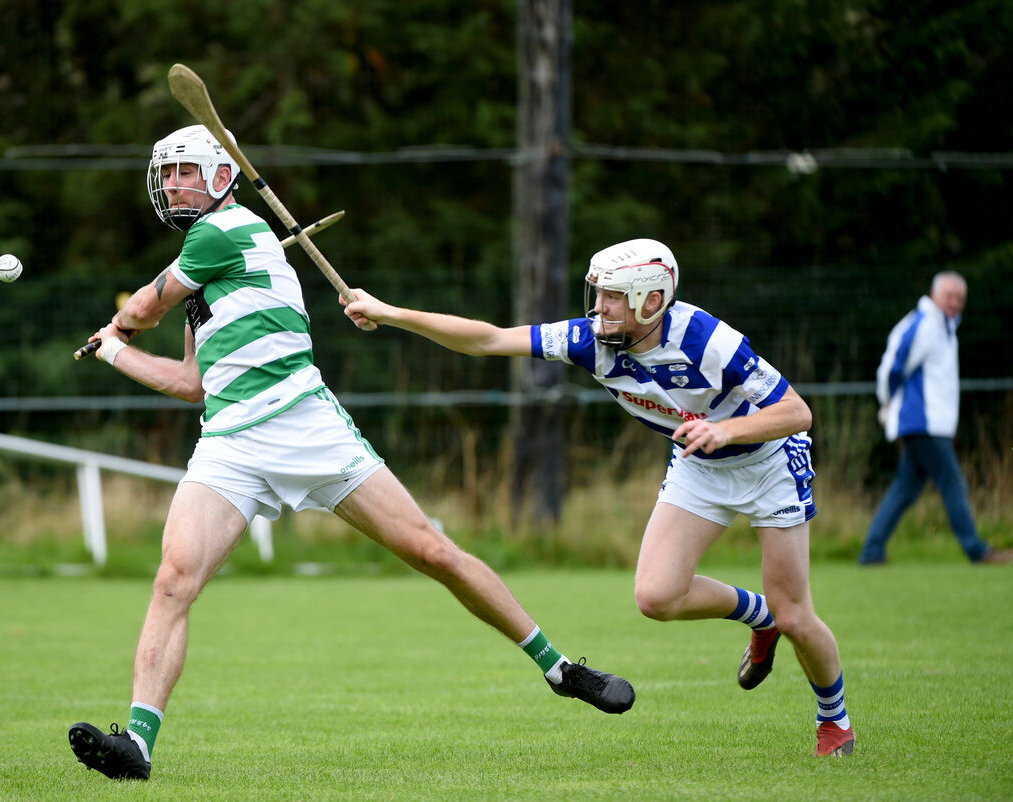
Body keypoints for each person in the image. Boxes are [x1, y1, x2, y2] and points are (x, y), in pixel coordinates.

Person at [66, 125, 635, 782]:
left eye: (184, 172)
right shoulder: (206, 281)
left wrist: (123, 324)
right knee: (174, 581)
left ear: (222, 176)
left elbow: (144, 304)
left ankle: (562, 668)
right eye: (166, 176)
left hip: (305, 422)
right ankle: (137, 746)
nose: (172, 186)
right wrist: (114, 351)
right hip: (230, 442)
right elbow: (191, 383)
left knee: (432, 552)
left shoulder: (222, 233)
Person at [342, 238, 856, 757]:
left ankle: (833, 720)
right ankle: (758, 617)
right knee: (655, 597)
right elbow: (489, 340)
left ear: (651, 300)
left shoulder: (705, 338)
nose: (598, 307)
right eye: (598, 294)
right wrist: (390, 313)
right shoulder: (588, 339)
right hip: (700, 467)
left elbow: (797, 412)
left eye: (612, 297)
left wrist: (726, 433)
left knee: (798, 616)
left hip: (767, 463)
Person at [859, 272, 1013, 566]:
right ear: (935, 295)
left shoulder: (943, 327)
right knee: (953, 483)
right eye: (950, 296)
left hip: (930, 424)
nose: (955, 303)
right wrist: (887, 405)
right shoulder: (924, 325)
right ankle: (977, 550)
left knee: (905, 489)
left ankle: (872, 551)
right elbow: (893, 368)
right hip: (922, 423)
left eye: (960, 298)